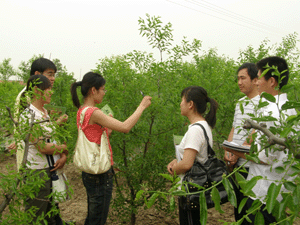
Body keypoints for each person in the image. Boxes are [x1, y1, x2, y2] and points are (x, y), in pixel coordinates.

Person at [70, 72, 152, 225]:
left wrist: (109, 123)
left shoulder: (82, 110)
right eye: (103, 89)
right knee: (97, 219)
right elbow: (125, 127)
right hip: (100, 175)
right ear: (93, 90)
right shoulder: (94, 112)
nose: (104, 93)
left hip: (90, 171)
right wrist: (142, 106)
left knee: (93, 216)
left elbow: (97, 135)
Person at [224, 56, 297, 224]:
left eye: (259, 78)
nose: (257, 83)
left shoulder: (271, 111)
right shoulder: (291, 110)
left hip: (263, 192)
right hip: (280, 189)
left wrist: (235, 151)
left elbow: (264, 157)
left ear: (272, 81)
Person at [20, 75, 68, 225]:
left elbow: (50, 137)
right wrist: (63, 148)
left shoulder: (45, 113)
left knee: (50, 215)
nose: (51, 92)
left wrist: (63, 155)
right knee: (36, 217)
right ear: (36, 90)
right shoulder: (28, 115)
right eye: (48, 89)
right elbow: (42, 147)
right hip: (37, 173)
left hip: (50, 168)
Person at [167, 86, 218, 225]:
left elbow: (187, 164)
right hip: (197, 189)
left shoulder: (195, 130)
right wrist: (176, 160)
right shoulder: (203, 126)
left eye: (182, 100)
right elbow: (192, 156)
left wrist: (173, 170)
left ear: (190, 104)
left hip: (190, 190)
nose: (180, 103)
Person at [223, 63, 259, 224]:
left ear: (255, 79)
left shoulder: (262, 103)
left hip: (250, 166)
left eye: (243, 78)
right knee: (238, 208)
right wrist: (229, 150)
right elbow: (234, 128)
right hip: (235, 164)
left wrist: (237, 152)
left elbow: (255, 133)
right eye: (238, 78)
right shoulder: (240, 103)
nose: (239, 82)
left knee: (249, 211)